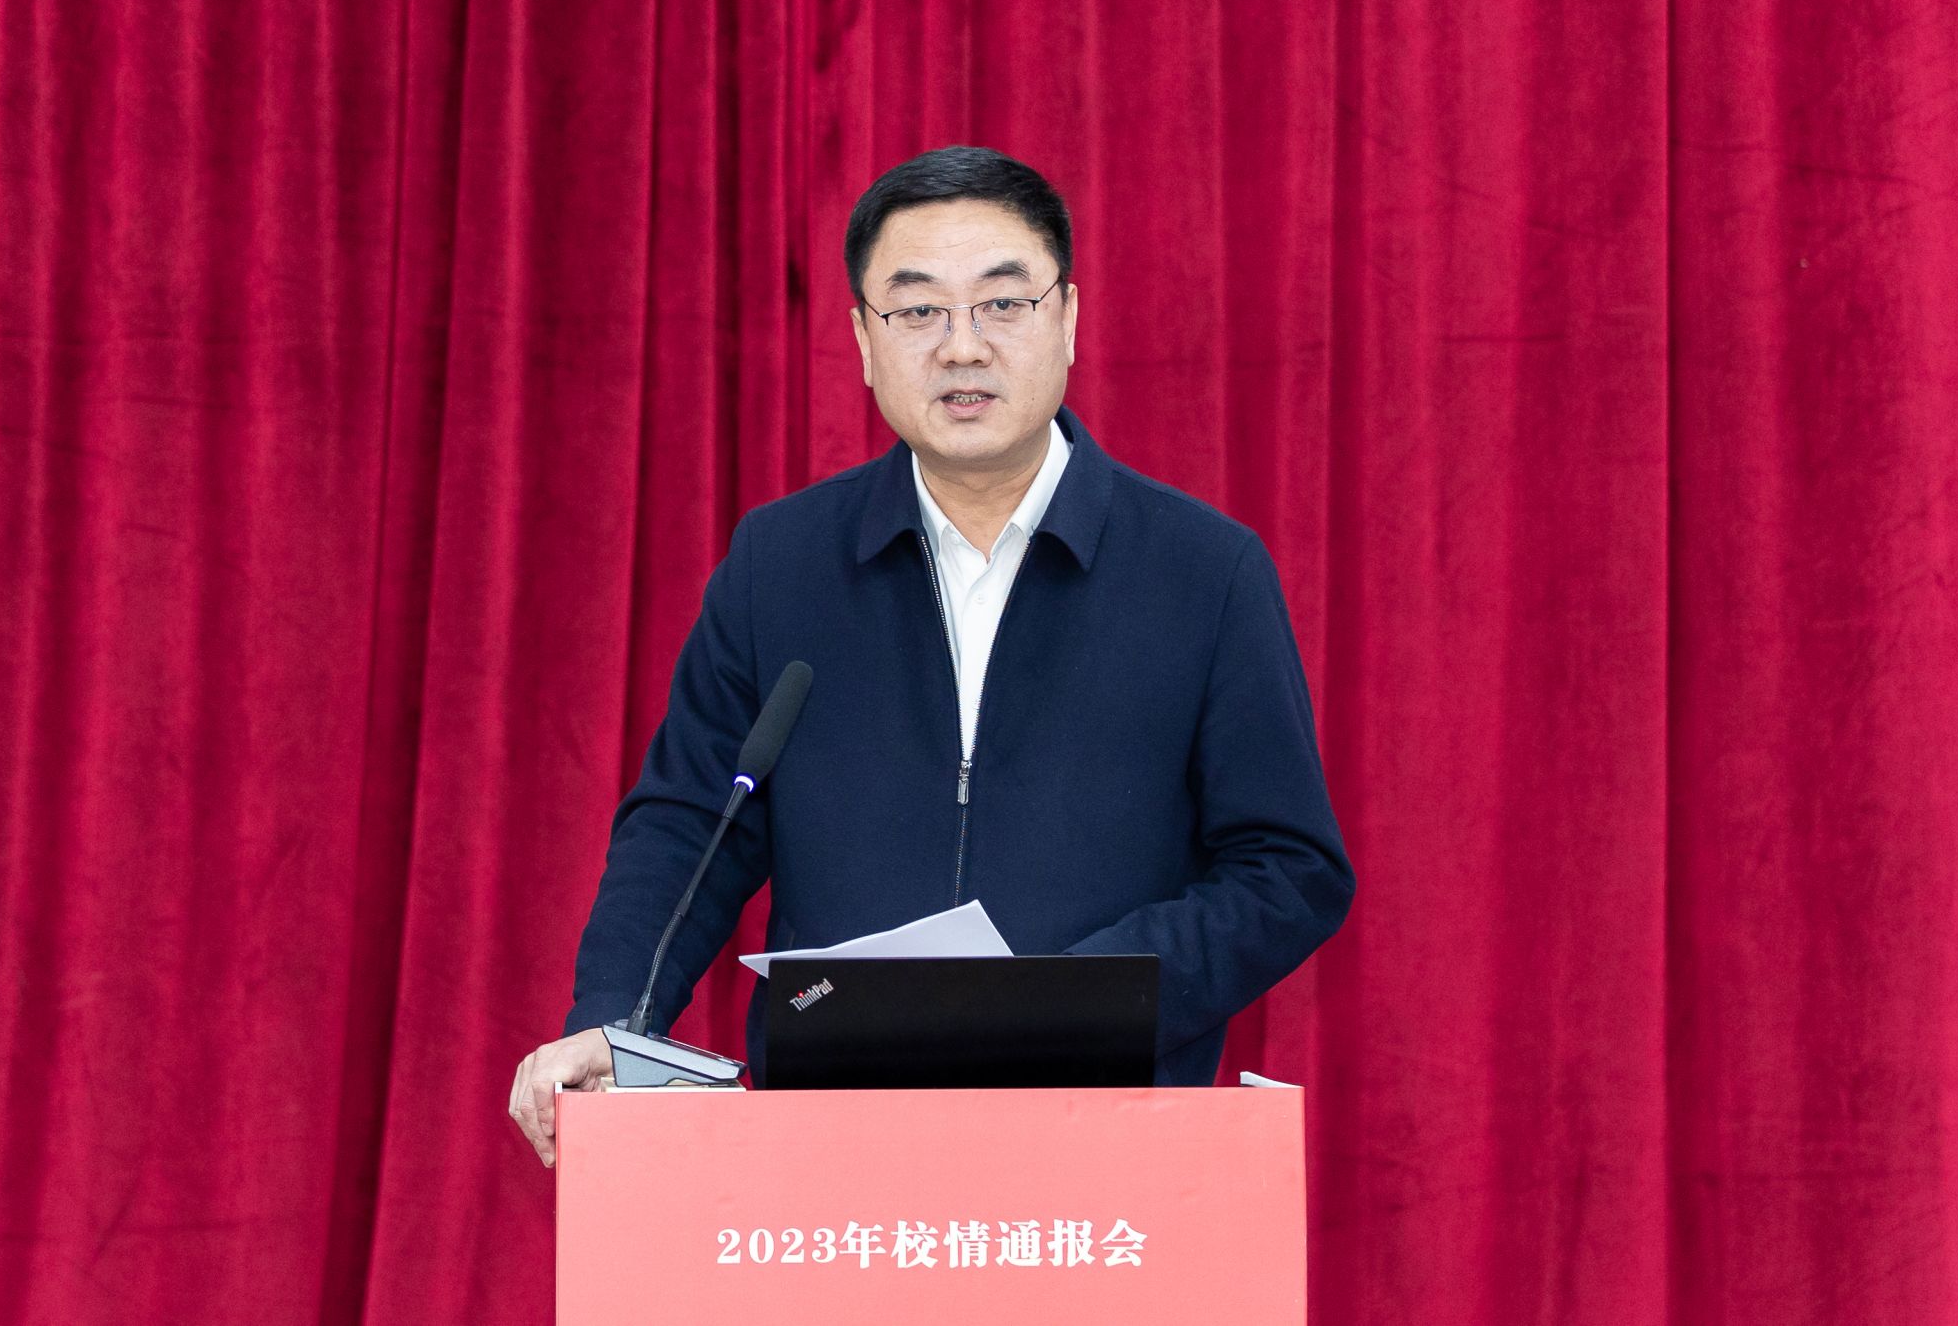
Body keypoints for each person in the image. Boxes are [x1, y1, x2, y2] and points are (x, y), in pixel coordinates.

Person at [509, 146, 1352, 1165]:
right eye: (917, 311)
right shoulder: (781, 564)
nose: (962, 346)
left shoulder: (1203, 572)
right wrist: (615, 1018)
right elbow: (691, 823)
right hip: (832, 1152)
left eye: (1003, 303)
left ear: (1067, 319)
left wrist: (1082, 999)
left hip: (1107, 1145)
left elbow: (1288, 868)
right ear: (864, 341)